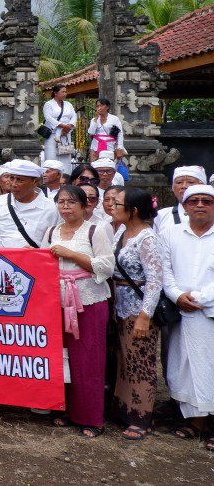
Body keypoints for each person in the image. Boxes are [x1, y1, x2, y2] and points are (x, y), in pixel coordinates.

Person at [42, 185, 114, 438]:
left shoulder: (96, 230)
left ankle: (90, 417)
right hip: (56, 302)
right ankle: (64, 409)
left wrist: (71, 254)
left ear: (85, 205)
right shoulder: (52, 231)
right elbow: (41, 263)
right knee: (61, 358)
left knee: (88, 358)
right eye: (61, 202)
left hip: (89, 300)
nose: (65, 206)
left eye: (71, 202)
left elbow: (106, 267)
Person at [160, 183, 214, 449]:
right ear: (184, 206)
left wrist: (200, 299)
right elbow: (164, 269)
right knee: (183, 364)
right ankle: (195, 421)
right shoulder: (171, 233)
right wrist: (177, 296)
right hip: (180, 309)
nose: (201, 205)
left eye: (207, 200)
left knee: (210, 365)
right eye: (194, 201)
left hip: (209, 311)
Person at [109, 186, 162, 440]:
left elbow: (154, 280)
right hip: (118, 306)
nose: (112, 207)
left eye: (118, 204)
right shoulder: (120, 231)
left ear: (134, 210)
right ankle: (124, 408)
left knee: (141, 362)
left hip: (138, 308)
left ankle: (142, 417)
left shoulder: (147, 239)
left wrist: (144, 316)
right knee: (124, 361)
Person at [0, 160, 58, 248]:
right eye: (12, 178)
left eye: (20, 180)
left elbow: (56, 242)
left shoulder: (50, 209)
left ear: (35, 182)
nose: (14, 184)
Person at [155, 166, 206, 235]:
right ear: (173, 187)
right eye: (179, 182)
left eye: (190, 182)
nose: (184, 186)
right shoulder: (162, 215)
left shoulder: (211, 214)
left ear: (202, 185)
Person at [42, 84, 77, 173]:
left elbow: (74, 116)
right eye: (63, 92)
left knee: (65, 158)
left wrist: (68, 127)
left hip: (66, 135)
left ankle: (65, 179)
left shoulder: (68, 104)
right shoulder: (49, 104)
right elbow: (49, 118)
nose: (65, 94)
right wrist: (63, 126)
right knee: (51, 158)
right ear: (55, 93)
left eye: (65, 92)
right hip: (53, 135)